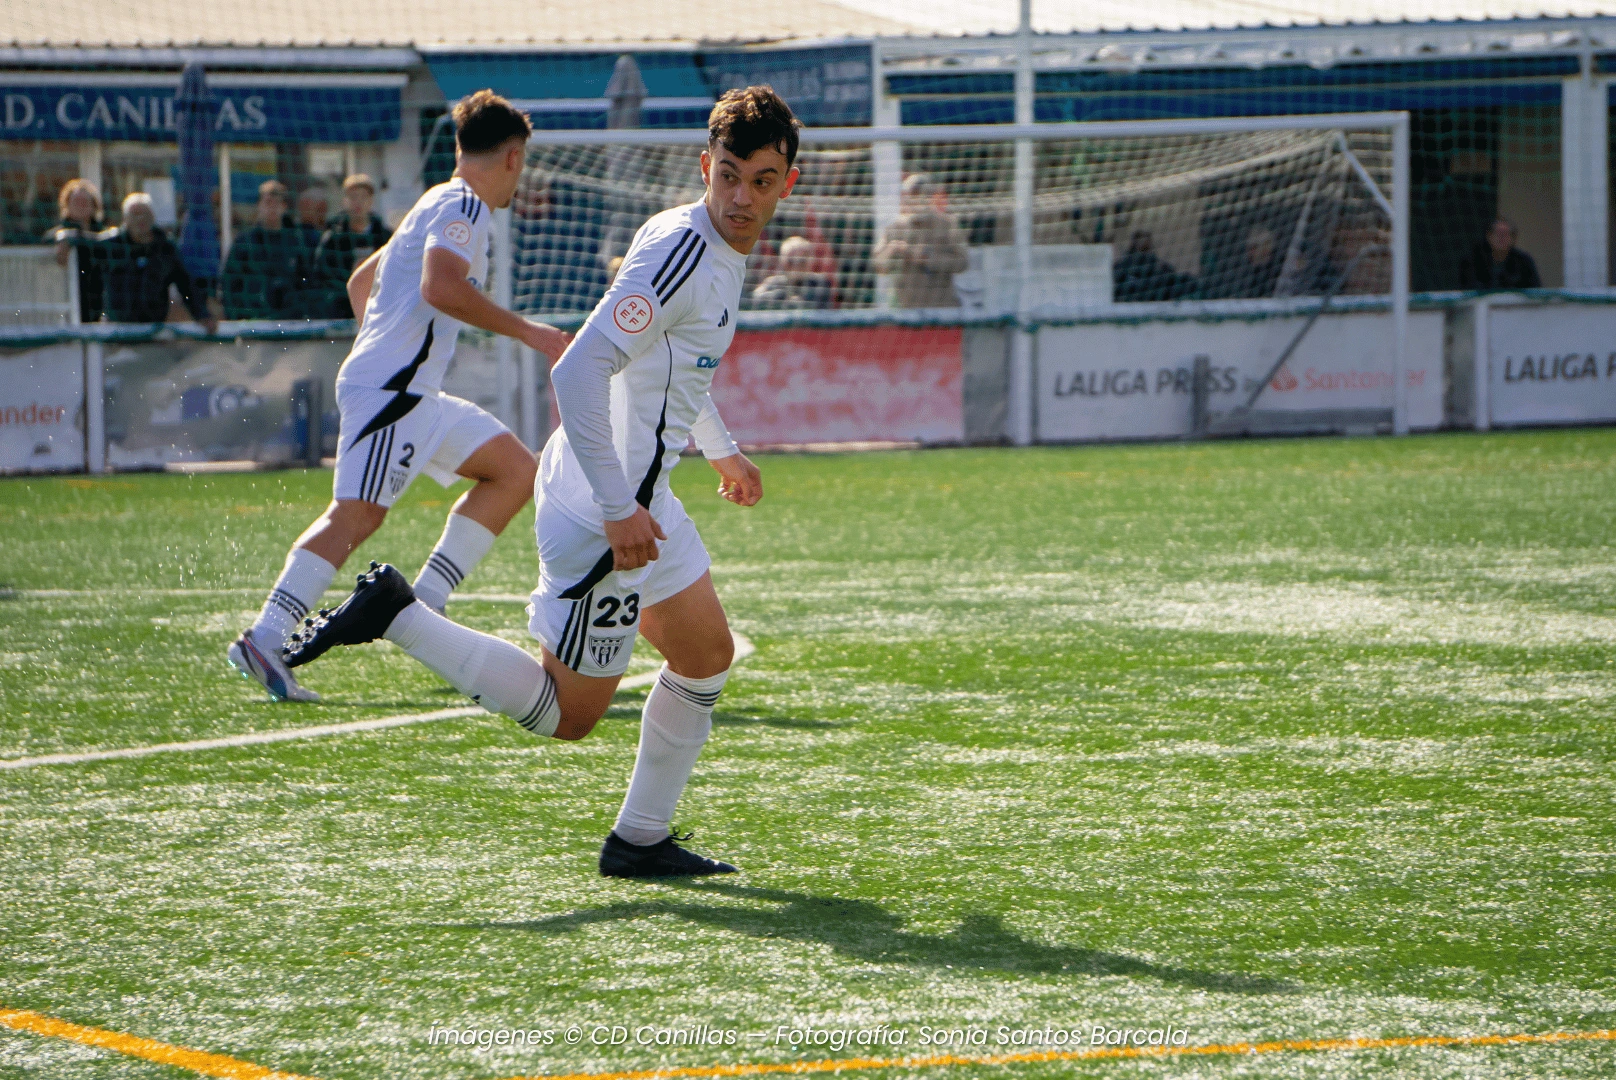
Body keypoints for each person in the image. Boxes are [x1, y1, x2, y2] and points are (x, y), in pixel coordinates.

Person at [284, 85, 791, 879]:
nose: (741, 196)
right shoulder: (686, 249)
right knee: (568, 714)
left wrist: (720, 449)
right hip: (606, 507)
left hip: (639, 499)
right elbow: (581, 369)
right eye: (728, 175)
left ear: (785, 184)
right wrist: (619, 510)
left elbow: (673, 371)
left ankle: (641, 840)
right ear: (706, 167)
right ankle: (397, 613)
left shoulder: (709, 251)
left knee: (705, 655)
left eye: (760, 181)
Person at [226, 90, 569, 704]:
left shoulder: (435, 201)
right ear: (514, 156)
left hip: (411, 391)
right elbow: (441, 288)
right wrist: (529, 332)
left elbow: (363, 281)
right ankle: (266, 636)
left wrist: (384, 345)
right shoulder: (463, 204)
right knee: (357, 515)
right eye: (525, 163)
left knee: (515, 471)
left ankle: (426, 603)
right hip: (395, 390)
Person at [90, 192, 216, 331]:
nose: (141, 219)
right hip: (117, 330)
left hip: (153, 331)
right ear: (125, 219)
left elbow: (185, 285)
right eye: (135, 214)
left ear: (153, 217)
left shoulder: (166, 248)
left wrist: (202, 315)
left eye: (145, 214)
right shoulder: (110, 246)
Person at [871, 173, 968, 308]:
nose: (914, 199)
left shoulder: (948, 224)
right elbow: (879, 266)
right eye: (911, 194)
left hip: (942, 310)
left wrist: (927, 257)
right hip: (907, 312)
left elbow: (962, 262)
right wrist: (893, 248)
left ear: (930, 197)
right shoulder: (895, 228)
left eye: (920, 194)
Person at [221, 180, 311, 320]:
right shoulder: (245, 242)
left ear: (284, 207)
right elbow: (229, 283)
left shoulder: (296, 242)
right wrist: (235, 317)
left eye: (277, 203)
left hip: (290, 322)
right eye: (268, 203)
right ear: (259, 206)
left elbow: (306, 282)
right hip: (252, 320)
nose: (272, 208)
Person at [312, 174, 394, 317]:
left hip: (381, 308)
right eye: (353, 197)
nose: (358, 202)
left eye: (363, 197)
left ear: (371, 201)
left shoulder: (385, 237)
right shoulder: (332, 239)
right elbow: (323, 277)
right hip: (342, 310)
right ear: (345, 201)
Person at [48, 178, 105, 323]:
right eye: (76, 202)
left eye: (85, 202)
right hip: (67, 298)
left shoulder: (103, 234)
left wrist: (74, 238)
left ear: (94, 206)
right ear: (66, 205)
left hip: (100, 298)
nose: (81, 206)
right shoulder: (57, 234)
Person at [1458, 217, 1541, 290]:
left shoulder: (1524, 261)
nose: (1502, 238)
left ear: (1513, 238)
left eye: (1506, 234)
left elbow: (1534, 289)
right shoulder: (1472, 260)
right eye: (1498, 234)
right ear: (1489, 236)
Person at [1112, 229, 1195, 302]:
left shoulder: (1159, 267)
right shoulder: (1123, 267)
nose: (1144, 244)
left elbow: (1171, 278)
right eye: (1141, 242)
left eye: (1146, 244)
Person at [752, 235, 831, 309]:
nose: (797, 265)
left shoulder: (820, 283)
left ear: (811, 261)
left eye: (802, 261)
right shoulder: (774, 282)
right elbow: (755, 297)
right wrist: (780, 296)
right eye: (791, 261)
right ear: (782, 262)